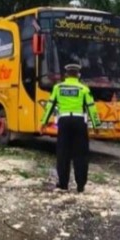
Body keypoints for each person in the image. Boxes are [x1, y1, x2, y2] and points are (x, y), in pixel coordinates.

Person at [39, 63, 101, 193]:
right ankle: (80, 185)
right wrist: (96, 125)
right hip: (79, 122)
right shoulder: (83, 88)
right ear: (78, 75)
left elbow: (50, 106)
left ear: (66, 75)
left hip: (64, 122)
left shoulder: (58, 88)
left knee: (63, 153)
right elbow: (91, 106)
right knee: (81, 154)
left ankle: (63, 184)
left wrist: (43, 123)